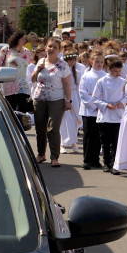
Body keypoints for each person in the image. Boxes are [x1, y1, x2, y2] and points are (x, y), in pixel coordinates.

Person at [30, 38, 73, 168]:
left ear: (59, 50)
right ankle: (41, 154)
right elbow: (33, 79)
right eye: (49, 46)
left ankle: (54, 157)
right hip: (40, 98)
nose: (51, 49)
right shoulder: (41, 61)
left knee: (53, 128)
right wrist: (38, 70)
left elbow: (67, 84)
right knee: (40, 127)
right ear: (45, 48)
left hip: (56, 99)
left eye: (55, 47)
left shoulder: (63, 65)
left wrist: (68, 101)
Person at [93, 56, 127, 172]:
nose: (118, 73)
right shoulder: (101, 81)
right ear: (109, 69)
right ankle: (106, 163)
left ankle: (114, 163)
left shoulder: (123, 82)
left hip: (117, 115)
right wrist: (106, 105)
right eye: (115, 71)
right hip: (106, 115)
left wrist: (122, 102)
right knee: (105, 141)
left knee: (116, 141)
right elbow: (95, 98)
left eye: (119, 71)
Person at [78, 50, 106, 170]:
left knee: (98, 136)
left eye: (101, 62)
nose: (99, 64)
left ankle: (95, 160)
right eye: (96, 61)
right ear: (91, 62)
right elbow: (83, 92)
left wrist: (101, 105)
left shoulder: (105, 76)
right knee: (89, 135)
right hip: (89, 110)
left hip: (101, 110)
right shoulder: (86, 76)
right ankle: (87, 159)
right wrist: (93, 105)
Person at [0, 31, 33, 114]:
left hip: (23, 86)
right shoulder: (6, 50)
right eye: (22, 39)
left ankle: (20, 127)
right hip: (9, 86)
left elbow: (30, 67)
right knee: (11, 111)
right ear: (16, 39)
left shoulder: (27, 52)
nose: (24, 41)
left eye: (25, 39)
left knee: (22, 111)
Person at [58, 52, 85, 154]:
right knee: (65, 121)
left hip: (74, 97)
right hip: (64, 96)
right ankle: (62, 144)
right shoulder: (61, 71)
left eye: (74, 60)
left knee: (75, 120)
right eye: (70, 60)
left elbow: (78, 88)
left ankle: (74, 142)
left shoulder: (77, 72)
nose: (72, 62)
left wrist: (79, 101)